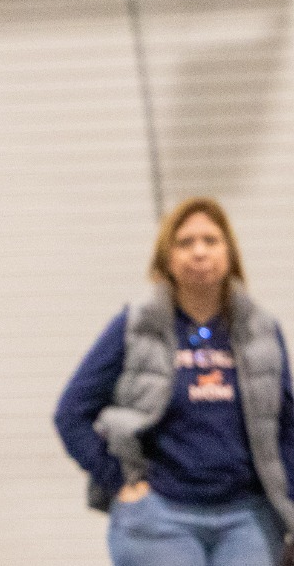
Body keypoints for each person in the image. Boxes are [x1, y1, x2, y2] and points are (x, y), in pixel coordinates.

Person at [56, 197, 294, 566]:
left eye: (211, 240)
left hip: (249, 518)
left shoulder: (262, 331)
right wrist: (118, 480)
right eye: (185, 242)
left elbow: (286, 428)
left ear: (230, 253)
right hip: (158, 516)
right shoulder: (136, 326)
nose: (199, 252)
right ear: (166, 258)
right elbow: (72, 412)